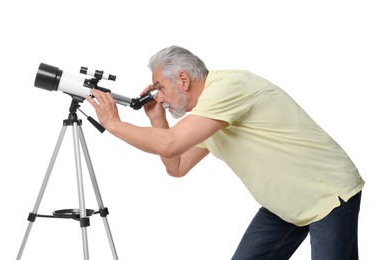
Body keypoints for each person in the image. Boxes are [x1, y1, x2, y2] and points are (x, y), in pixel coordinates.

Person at [86, 46, 365, 259]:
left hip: (327, 195)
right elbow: (177, 166)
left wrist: (113, 123)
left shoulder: (227, 88)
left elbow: (170, 144)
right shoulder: (207, 114)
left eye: (160, 87)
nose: (158, 96)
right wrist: (157, 120)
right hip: (285, 205)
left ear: (183, 79)